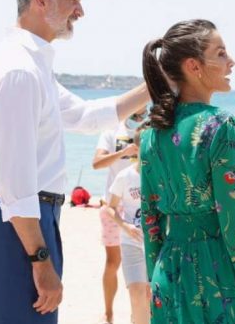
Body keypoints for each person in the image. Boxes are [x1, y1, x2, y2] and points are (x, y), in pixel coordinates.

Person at [0, 0, 150, 324]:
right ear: (41, 0)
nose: (80, 11)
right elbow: (15, 184)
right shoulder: (19, 70)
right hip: (15, 225)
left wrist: (155, 85)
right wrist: (40, 259)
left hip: (23, 221)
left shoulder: (33, 63)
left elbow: (84, 115)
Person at [139, 19, 235, 323]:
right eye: (220, 54)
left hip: (168, 275)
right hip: (218, 274)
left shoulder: (151, 134)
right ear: (194, 66)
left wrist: (155, 278)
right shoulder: (222, 126)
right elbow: (232, 221)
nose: (231, 62)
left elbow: (149, 217)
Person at [91, 107, 147, 324]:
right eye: (138, 109)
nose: (141, 114)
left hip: (141, 203)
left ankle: (138, 313)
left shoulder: (146, 131)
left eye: (144, 111)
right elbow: (96, 164)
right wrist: (124, 152)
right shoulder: (111, 132)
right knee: (113, 262)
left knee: (144, 280)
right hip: (114, 204)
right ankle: (108, 311)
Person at [105, 124, 150, 324]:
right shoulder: (125, 176)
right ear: (137, 147)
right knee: (137, 294)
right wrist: (125, 226)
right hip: (131, 243)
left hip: (158, 244)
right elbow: (110, 207)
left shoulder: (163, 174)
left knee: (153, 297)